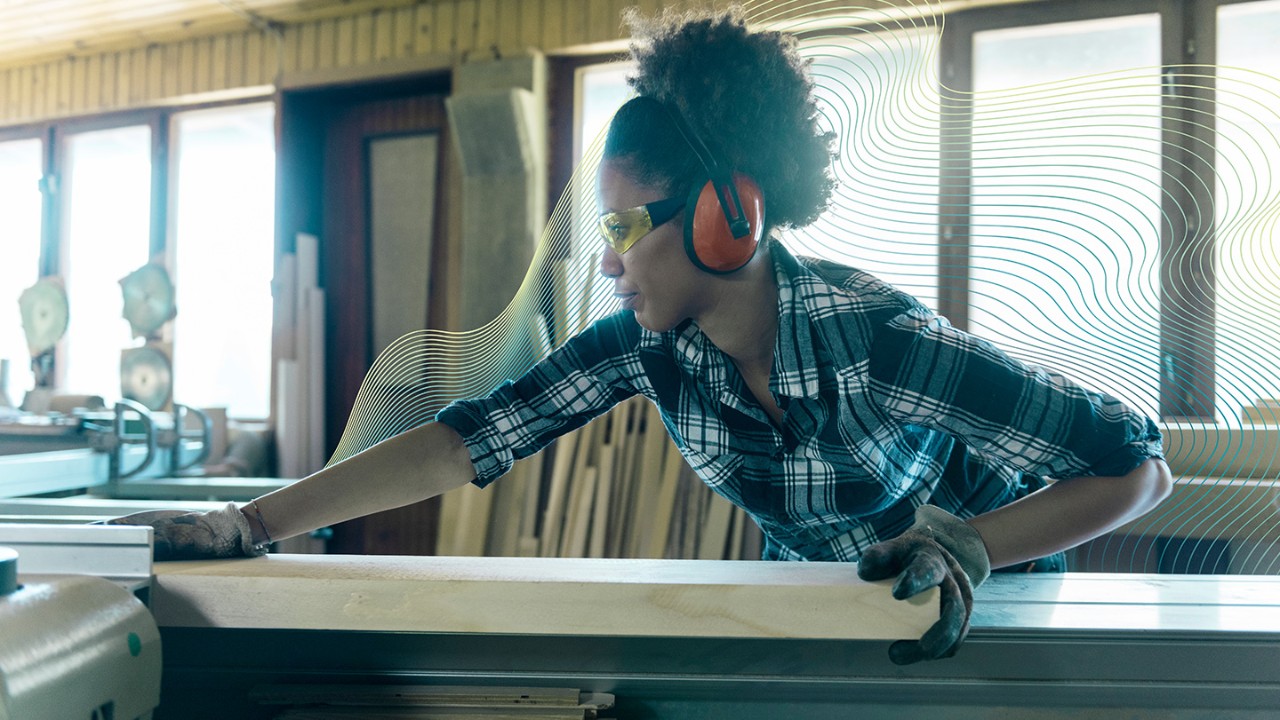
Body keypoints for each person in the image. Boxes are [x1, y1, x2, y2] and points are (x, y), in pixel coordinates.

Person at [112, 9, 1171, 664]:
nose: (608, 261)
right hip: (831, 599)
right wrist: (249, 523)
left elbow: (1136, 468)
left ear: (727, 217)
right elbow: (467, 437)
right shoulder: (644, 344)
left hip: (991, 599)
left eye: (623, 228)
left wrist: (973, 546)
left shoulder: (879, 341)